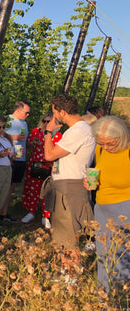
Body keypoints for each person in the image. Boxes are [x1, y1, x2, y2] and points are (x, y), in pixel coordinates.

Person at [83, 116, 130, 293]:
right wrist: (89, 183)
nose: (105, 147)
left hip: (125, 211)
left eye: (110, 143)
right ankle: (103, 297)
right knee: (103, 255)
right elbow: (99, 172)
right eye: (101, 143)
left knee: (122, 258)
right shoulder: (100, 150)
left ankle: (121, 299)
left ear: (122, 137)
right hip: (102, 210)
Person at [44, 94, 95, 251]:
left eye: (55, 112)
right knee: (64, 235)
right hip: (67, 186)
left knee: (66, 237)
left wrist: (48, 132)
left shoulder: (77, 131)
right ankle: (68, 271)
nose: (54, 116)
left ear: (63, 112)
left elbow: (49, 155)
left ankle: (70, 273)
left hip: (68, 189)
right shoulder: (78, 129)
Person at [21, 112, 62, 228]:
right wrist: (32, 143)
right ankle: (31, 212)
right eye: (45, 121)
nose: (46, 123)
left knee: (47, 190)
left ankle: (46, 215)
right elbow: (27, 144)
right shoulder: (36, 131)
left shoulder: (57, 135)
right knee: (33, 188)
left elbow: (59, 150)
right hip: (35, 163)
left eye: (49, 121)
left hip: (49, 164)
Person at [0, 101, 30, 227]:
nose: (28, 115)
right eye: (26, 112)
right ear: (18, 110)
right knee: (4, 187)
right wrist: (14, 138)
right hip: (9, 159)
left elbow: (26, 140)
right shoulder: (7, 120)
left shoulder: (24, 123)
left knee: (11, 187)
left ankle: (4, 213)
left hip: (21, 158)